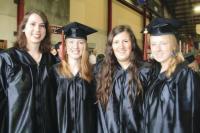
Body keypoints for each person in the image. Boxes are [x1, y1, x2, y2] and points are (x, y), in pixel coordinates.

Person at [0, 9, 58, 133]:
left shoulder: (52, 62)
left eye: (42, 26)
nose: (37, 29)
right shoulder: (7, 59)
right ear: (23, 28)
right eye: (32, 24)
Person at [141, 18, 200, 133]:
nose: (157, 49)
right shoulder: (154, 74)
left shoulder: (185, 77)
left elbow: (189, 123)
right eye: (154, 44)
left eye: (163, 43)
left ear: (173, 46)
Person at [50, 22, 97, 133]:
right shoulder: (54, 72)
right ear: (65, 47)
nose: (75, 47)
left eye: (80, 42)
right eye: (71, 42)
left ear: (85, 46)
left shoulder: (93, 73)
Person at [95, 25, 143, 133]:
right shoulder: (101, 72)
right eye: (116, 42)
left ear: (132, 44)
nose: (121, 46)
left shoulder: (146, 72)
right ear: (111, 46)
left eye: (125, 41)